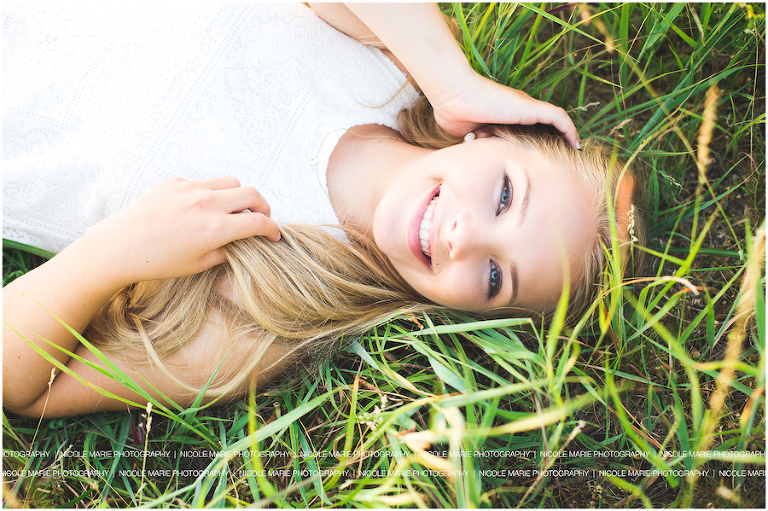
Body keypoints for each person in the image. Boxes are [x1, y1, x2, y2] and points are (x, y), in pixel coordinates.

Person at [2, 3, 643, 418]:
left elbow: (22, 386)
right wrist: (451, 80)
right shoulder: (395, 63)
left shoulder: (271, 313)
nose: (464, 235)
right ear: (492, 134)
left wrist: (109, 255)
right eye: (505, 195)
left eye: (496, 276)